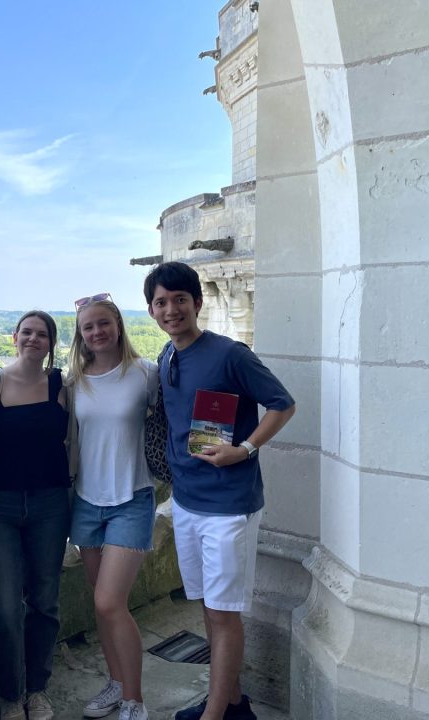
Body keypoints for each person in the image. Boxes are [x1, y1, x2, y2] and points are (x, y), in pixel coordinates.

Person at [142, 262, 295, 720]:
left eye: (179, 300)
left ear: (197, 302)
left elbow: (282, 404)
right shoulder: (167, 358)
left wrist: (245, 449)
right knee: (210, 609)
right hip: (187, 502)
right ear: (151, 310)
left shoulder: (230, 354)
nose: (171, 310)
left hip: (228, 507)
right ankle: (231, 703)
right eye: (161, 302)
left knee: (224, 614)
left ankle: (214, 715)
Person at [0, 310, 71, 720]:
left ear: (51, 343)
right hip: (0, 506)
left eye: (42, 334)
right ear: (14, 337)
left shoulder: (61, 385)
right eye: (26, 332)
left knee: (44, 602)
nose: (33, 339)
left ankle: (37, 689)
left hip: (50, 504)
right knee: (4, 608)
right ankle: (11, 693)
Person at [67, 293, 158, 720]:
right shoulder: (74, 381)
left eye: (104, 323)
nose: (97, 332)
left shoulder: (145, 374)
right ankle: (115, 683)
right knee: (103, 605)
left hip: (132, 499)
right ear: (80, 335)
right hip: (87, 502)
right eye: (89, 327)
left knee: (109, 602)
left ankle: (135, 700)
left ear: (118, 325)